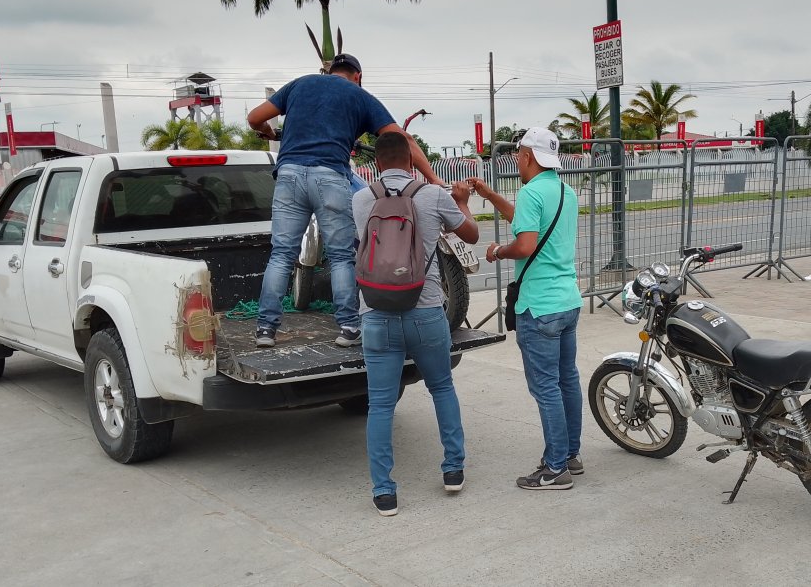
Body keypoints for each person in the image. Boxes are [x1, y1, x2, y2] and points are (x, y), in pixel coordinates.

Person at [247, 54, 443, 349]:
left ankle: (265, 329)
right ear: (358, 76)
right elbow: (403, 140)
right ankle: (349, 327)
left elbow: (254, 118)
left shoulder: (299, 85)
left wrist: (268, 133)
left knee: (281, 254)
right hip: (330, 176)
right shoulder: (359, 95)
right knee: (340, 256)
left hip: (288, 175)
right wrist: (434, 179)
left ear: (330, 71)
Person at [352, 131, 479, 516]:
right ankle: (453, 471)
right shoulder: (432, 195)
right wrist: (462, 202)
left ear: (377, 164)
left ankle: (384, 491)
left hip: (375, 313)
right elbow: (470, 236)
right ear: (411, 162)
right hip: (425, 312)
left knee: (380, 405)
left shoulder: (360, 199)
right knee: (442, 387)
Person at [467, 127, 583, 491]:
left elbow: (526, 243)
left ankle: (553, 469)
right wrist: (489, 194)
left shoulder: (532, 191)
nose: (516, 159)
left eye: (518, 153)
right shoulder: (565, 191)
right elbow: (526, 218)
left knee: (545, 387)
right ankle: (570, 456)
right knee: (567, 380)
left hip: (539, 306)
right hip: (567, 301)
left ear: (528, 156)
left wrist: (498, 251)